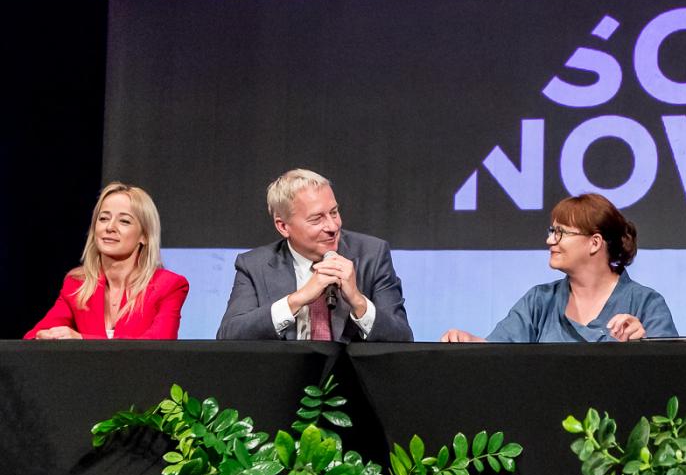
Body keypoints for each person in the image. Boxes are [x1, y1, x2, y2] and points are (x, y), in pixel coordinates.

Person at [441, 193, 677, 343]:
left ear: (595, 243)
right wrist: (468, 342)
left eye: (560, 232)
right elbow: (498, 353)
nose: (550, 240)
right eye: (551, 231)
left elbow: (669, 374)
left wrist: (642, 345)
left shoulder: (646, 303)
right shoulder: (539, 301)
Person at [216, 169, 412, 341]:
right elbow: (229, 335)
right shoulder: (254, 265)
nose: (333, 227)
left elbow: (402, 337)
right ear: (283, 226)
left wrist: (358, 301)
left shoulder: (372, 254)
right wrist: (297, 299)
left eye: (334, 212)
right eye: (317, 219)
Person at [25, 182, 189, 340]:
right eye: (103, 218)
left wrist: (81, 340)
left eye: (124, 221)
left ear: (144, 236)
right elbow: (34, 337)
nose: (110, 227)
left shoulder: (169, 286)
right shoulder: (77, 285)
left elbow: (159, 345)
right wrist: (45, 337)